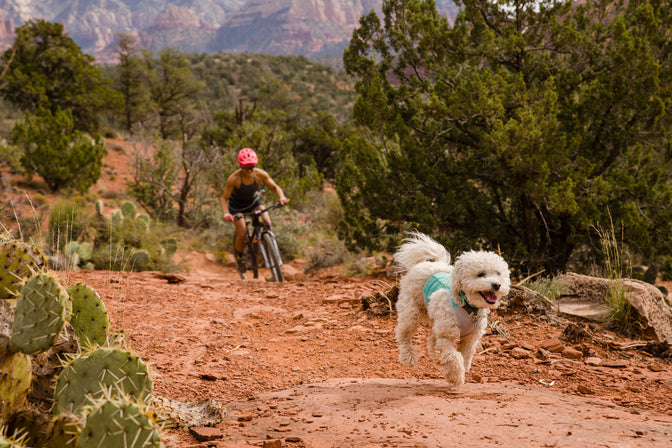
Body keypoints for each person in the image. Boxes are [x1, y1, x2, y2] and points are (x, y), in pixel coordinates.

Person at [220, 148, 289, 277]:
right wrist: (226, 213)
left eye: (252, 166)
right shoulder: (234, 178)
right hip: (237, 207)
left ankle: (271, 251)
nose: (249, 170)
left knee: (267, 222)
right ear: (240, 166)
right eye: (246, 167)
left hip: (253, 203)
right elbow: (224, 198)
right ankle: (240, 258)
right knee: (243, 232)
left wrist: (281, 197)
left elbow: (275, 187)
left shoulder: (260, 174)